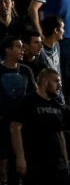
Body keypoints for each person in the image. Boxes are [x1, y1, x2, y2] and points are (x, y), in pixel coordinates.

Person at [10, 68, 70, 185]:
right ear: (45, 81)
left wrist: (65, 162)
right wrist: (20, 158)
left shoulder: (58, 105)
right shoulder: (27, 101)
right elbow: (15, 128)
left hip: (57, 164)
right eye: (56, 81)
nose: (59, 86)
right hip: (35, 164)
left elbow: (60, 134)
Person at [0, 36, 35, 183]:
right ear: (8, 50)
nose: (23, 49)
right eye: (19, 46)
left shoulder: (26, 71)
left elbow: (34, 94)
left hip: (23, 126)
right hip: (2, 126)